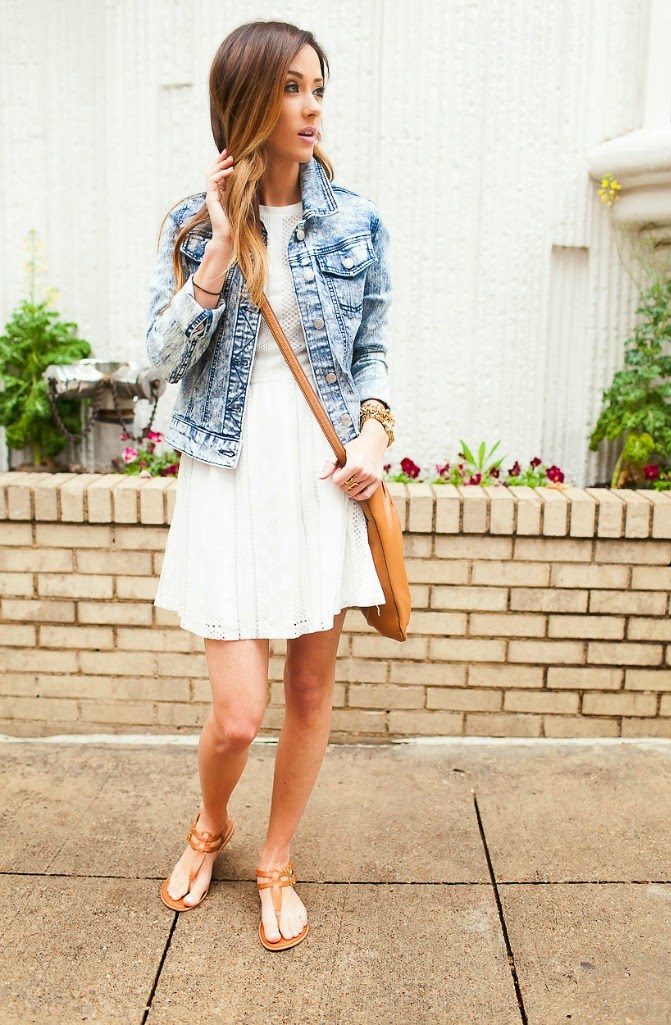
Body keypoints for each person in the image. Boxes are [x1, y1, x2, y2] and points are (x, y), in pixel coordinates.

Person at [145, 19, 396, 951]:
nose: (311, 104)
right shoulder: (187, 220)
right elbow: (160, 356)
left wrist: (374, 431)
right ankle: (211, 825)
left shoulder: (359, 221)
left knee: (307, 690)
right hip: (227, 466)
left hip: (322, 477)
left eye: (317, 85)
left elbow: (371, 351)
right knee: (238, 710)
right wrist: (215, 247)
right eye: (291, 87)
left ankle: (277, 855)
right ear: (247, 99)